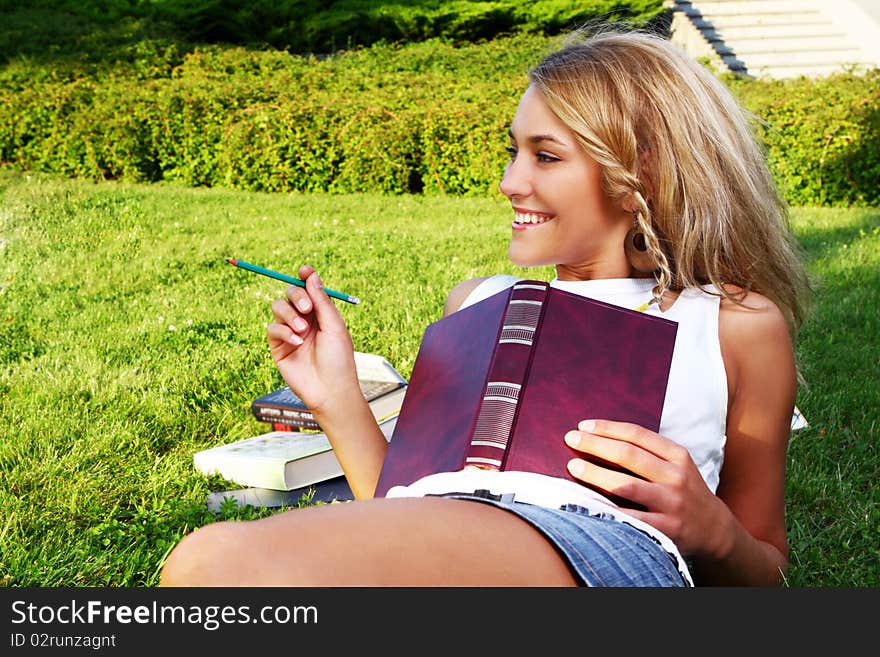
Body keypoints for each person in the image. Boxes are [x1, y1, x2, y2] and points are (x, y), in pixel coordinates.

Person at [160, 27, 810, 587]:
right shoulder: (479, 303)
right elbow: (404, 505)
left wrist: (711, 527)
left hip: (600, 545)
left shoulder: (729, 321)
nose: (508, 181)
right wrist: (335, 398)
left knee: (215, 562)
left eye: (545, 156)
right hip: (453, 526)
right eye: (512, 150)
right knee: (208, 565)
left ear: (637, 170)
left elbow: (765, 563)